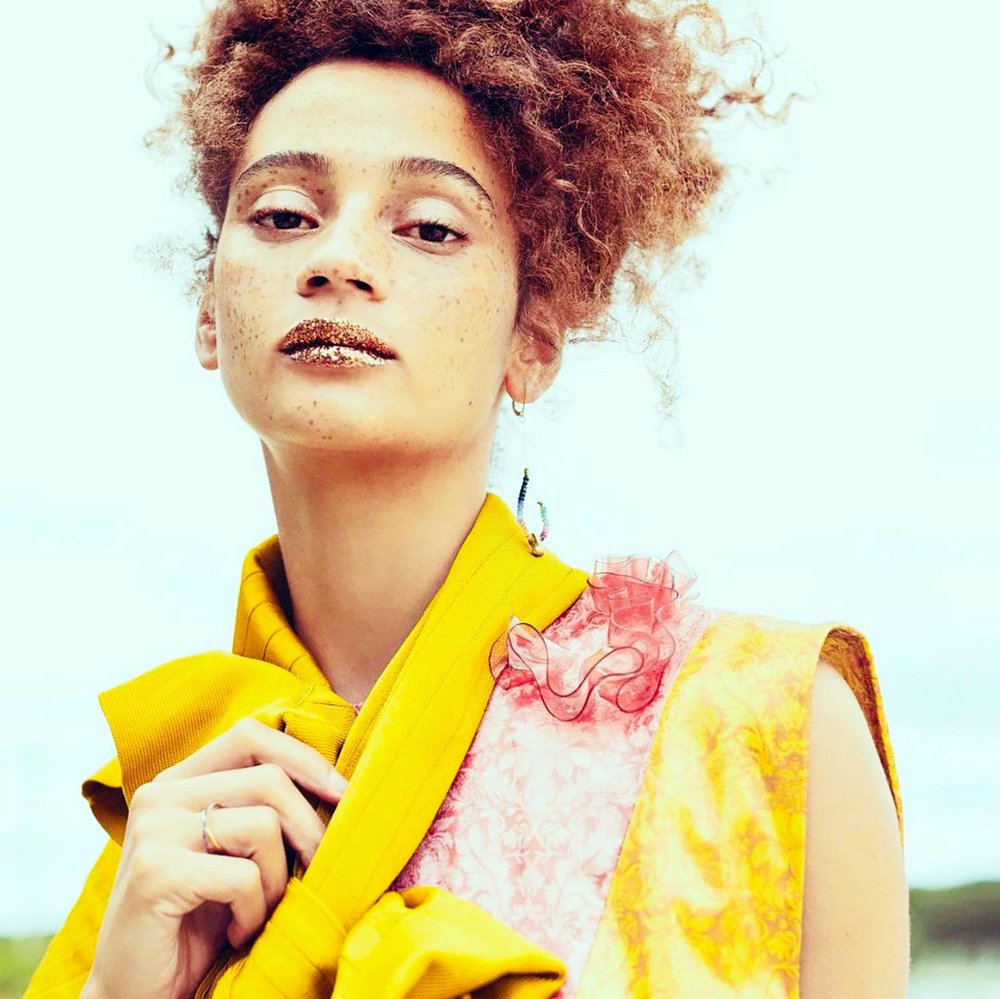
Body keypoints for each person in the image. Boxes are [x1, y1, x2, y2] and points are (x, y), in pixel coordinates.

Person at [26, 0, 909, 995]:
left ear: (533, 340)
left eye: (431, 228)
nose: (338, 261)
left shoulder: (767, 728)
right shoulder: (169, 830)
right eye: (281, 216)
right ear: (208, 316)